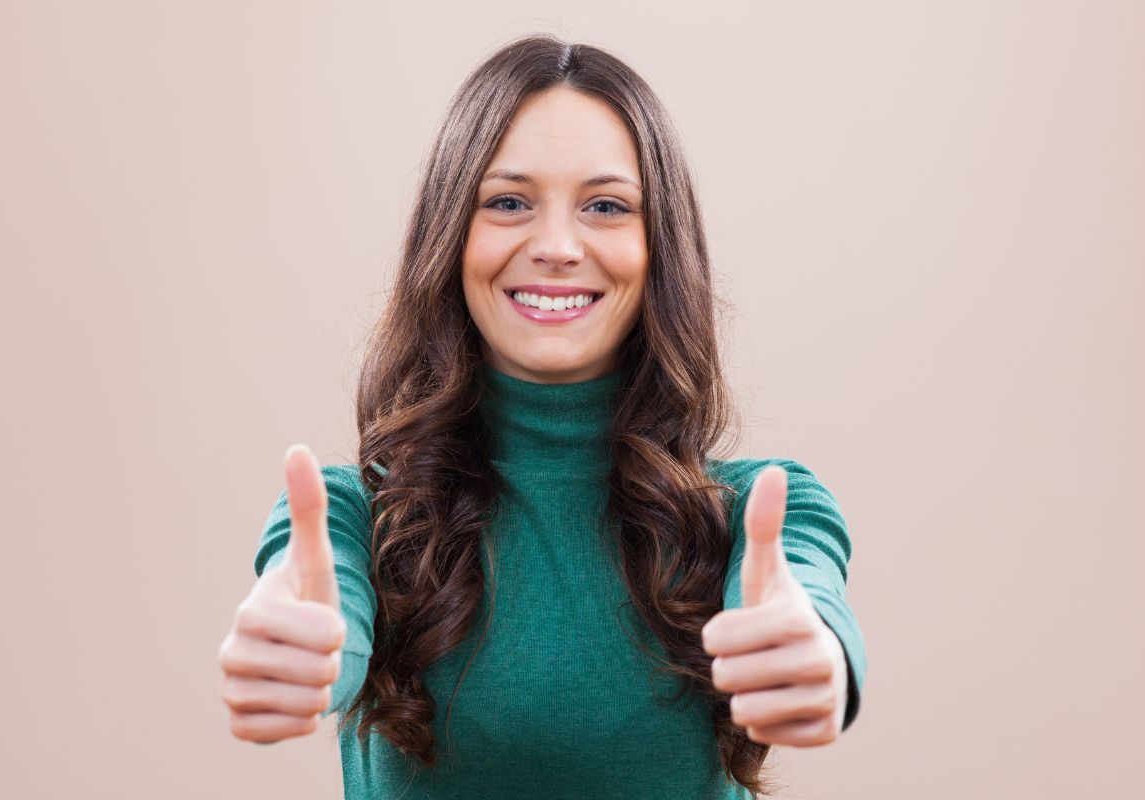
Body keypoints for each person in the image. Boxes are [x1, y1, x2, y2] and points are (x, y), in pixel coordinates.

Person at [217, 34, 867, 800]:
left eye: (605, 206)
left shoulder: (764, 511)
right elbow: (321, 614)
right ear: (450, 237)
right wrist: (296, 655)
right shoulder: (345, 520)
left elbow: (812, 611)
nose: (556, 246)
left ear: (660, 248)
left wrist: (815, 659)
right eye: (508, 202)